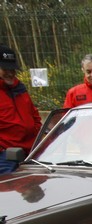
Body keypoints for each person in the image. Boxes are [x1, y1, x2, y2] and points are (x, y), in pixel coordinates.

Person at [0, 44, 42, 174]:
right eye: (5, 69)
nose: (10, 73)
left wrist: (35, 136)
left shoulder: (20, 89)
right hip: (5, 156)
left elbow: (34, 116)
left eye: (12, 69)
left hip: (31, 152)